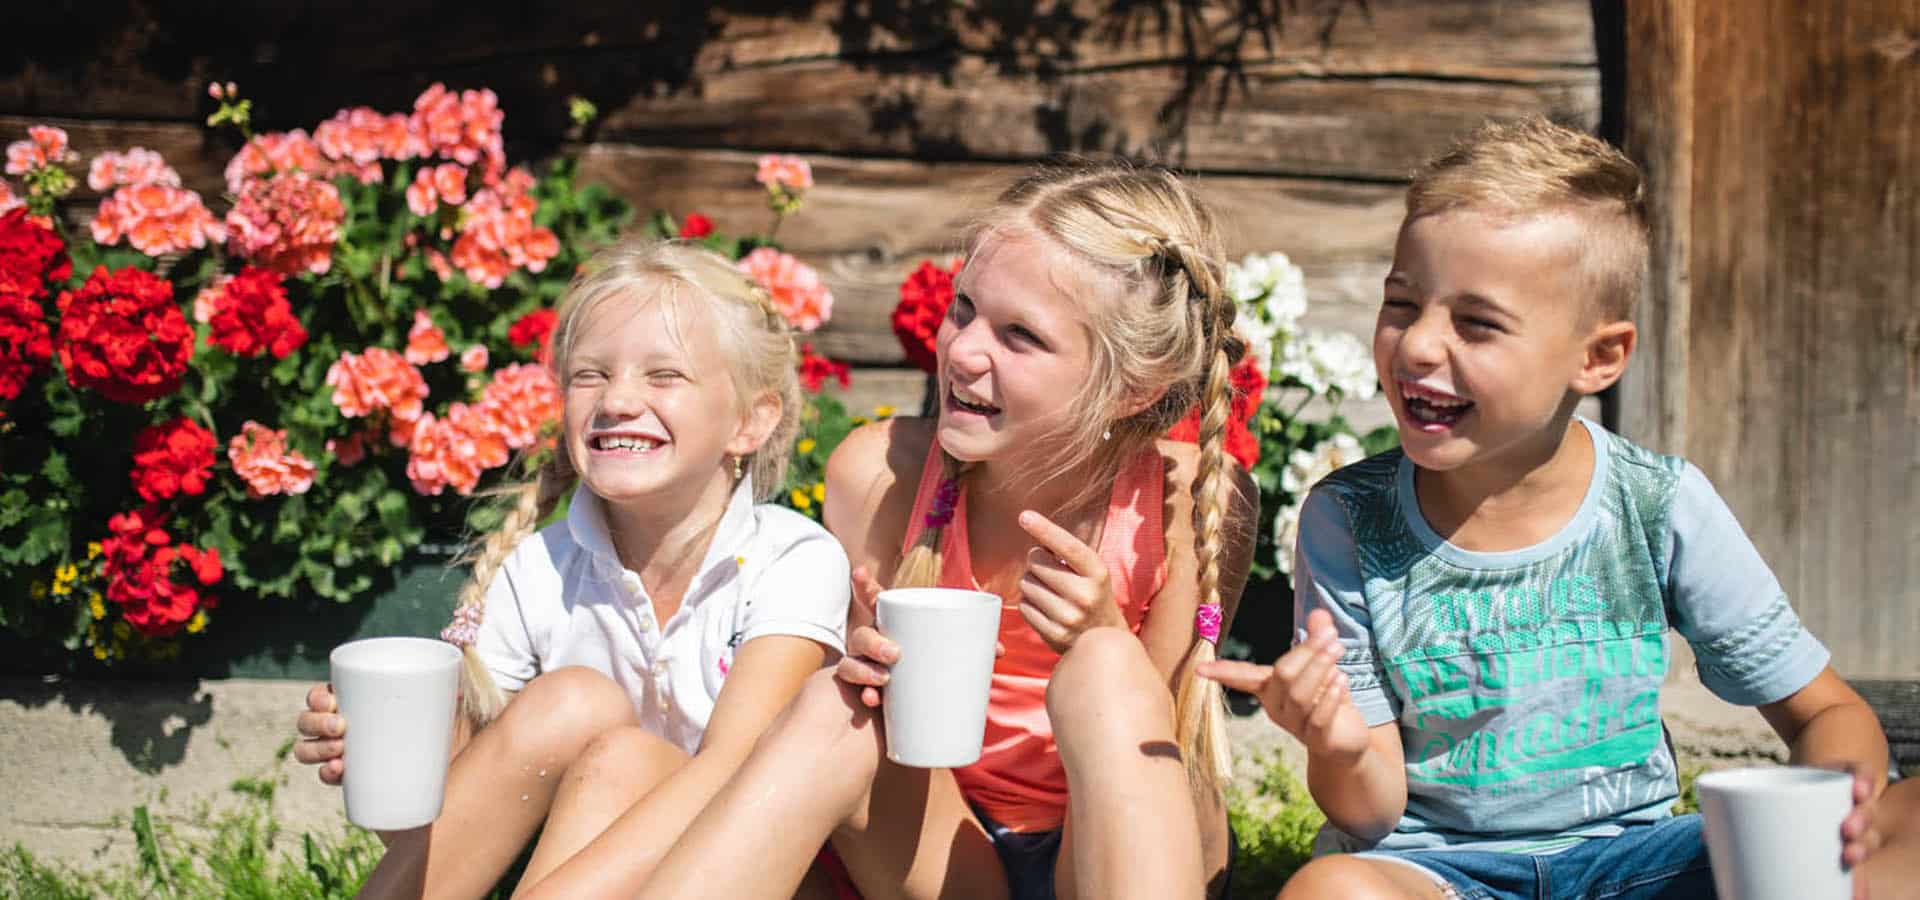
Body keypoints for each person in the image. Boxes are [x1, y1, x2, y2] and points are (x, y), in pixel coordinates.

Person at [1199, 116, 1891, 900]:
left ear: (1598, 357)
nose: (1418, 345)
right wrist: (1339, 742)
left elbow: (1825, 713)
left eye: (1476, 323)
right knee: (1330, 891)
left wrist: (1836, 818)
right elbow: (1369, 806)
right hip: (1439, 872)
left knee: (1908, 825)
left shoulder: (1655, 504)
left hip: (1635, 864)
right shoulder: (1350, 517)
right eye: (1402, 303)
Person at [596, 158, 1260, 900]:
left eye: (1020, 335)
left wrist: (1104, 631)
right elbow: (886, 740)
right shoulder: (882, 475)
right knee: (831, 706)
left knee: (1107, 666)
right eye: (964, 309)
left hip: (1115, 857)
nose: (964, 350)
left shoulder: (1186, 502)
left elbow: (1171, 743)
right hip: (954, 845)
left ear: (1134, 387)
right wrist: (864, 664)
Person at [291, 238, 852, 899]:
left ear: (750, 422)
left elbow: (736, 775)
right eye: (590, 375)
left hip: (758, 872)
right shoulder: (538, 571)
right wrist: (383, 756)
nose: (617, 400)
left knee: (627, 755)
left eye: (663, 375)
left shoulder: (792, 559)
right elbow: (456, 827)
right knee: (579, 710)